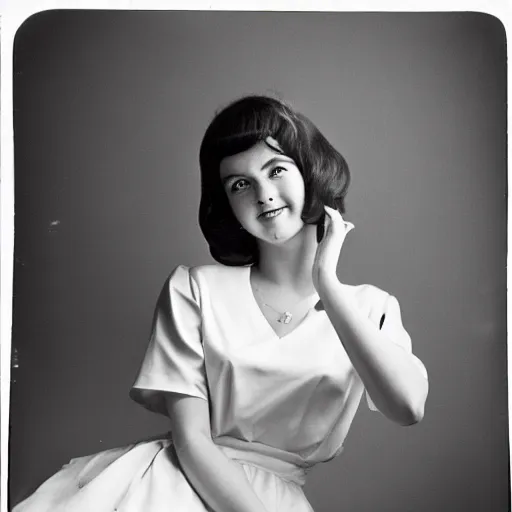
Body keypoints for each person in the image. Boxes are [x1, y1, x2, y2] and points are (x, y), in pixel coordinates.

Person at [13, 95, 429, 512]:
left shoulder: (370, 308)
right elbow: (192, 440)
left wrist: (328, 284)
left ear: (311, 174)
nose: (263, 194)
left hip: (280, 498)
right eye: (240, 184)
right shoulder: (195, 288)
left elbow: (408, 407)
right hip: (178, 488)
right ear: (228, 202)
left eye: (277, 170)